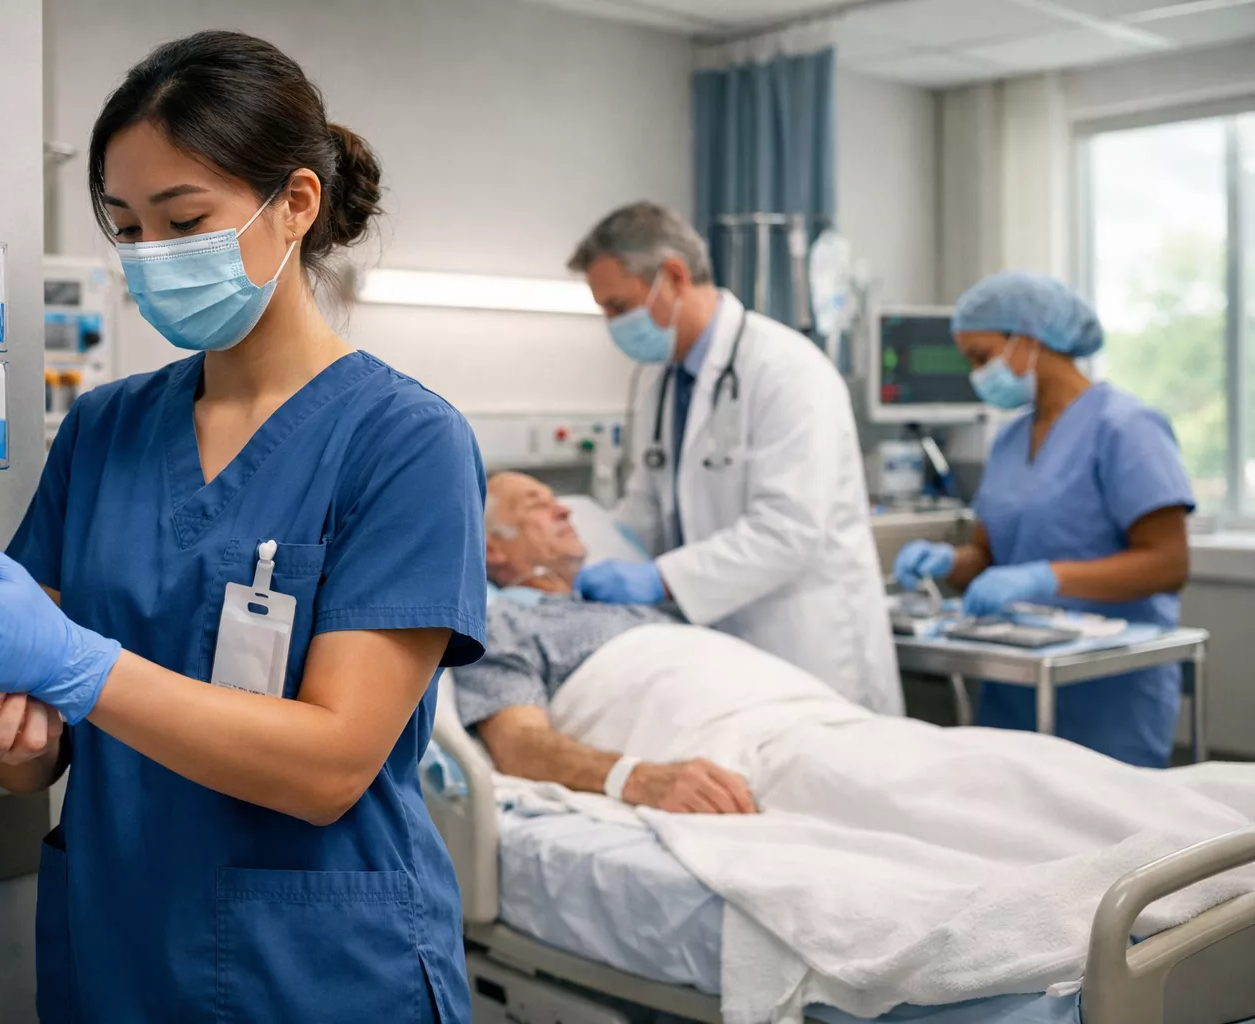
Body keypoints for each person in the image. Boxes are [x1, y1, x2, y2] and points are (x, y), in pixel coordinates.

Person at [0, 32, 486, 1023]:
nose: (150, 259)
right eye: (126, 228)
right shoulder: (104, 430)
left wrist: (77, 667)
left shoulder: (405, 443)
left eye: (184, 222)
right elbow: (36, 726)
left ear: (297, 205)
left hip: (316, 970)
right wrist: (8, 737)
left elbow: (328, 767)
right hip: (121, 945)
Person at [566, 203, 901, 714]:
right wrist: (590, 554)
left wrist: (660, 579)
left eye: (619, 307)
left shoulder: (787, 371)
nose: (613, 326)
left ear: (673, 277)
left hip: (806, 646)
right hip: (721, 653)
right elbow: (646, 509)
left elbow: (788, 531)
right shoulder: (662, 384)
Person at [894, 272, 1194, 768]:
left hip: (1106, 689)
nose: (976, 374)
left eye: (982, 356)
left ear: (1028, 339)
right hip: (1016, 679)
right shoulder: (1009, 441)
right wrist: (947, 562)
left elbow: (1167, 564)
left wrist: (1046, 577)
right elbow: (990, 559)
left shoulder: (1126, 427)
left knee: (1113, 833)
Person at [470, 471, 757, 813]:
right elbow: (517, 744)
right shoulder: (504, 623)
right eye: (537, 506)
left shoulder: (635, 598)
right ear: (491, 549)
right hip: (712, 742)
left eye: (556, 501)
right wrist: (633, 778)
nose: (563, 511)